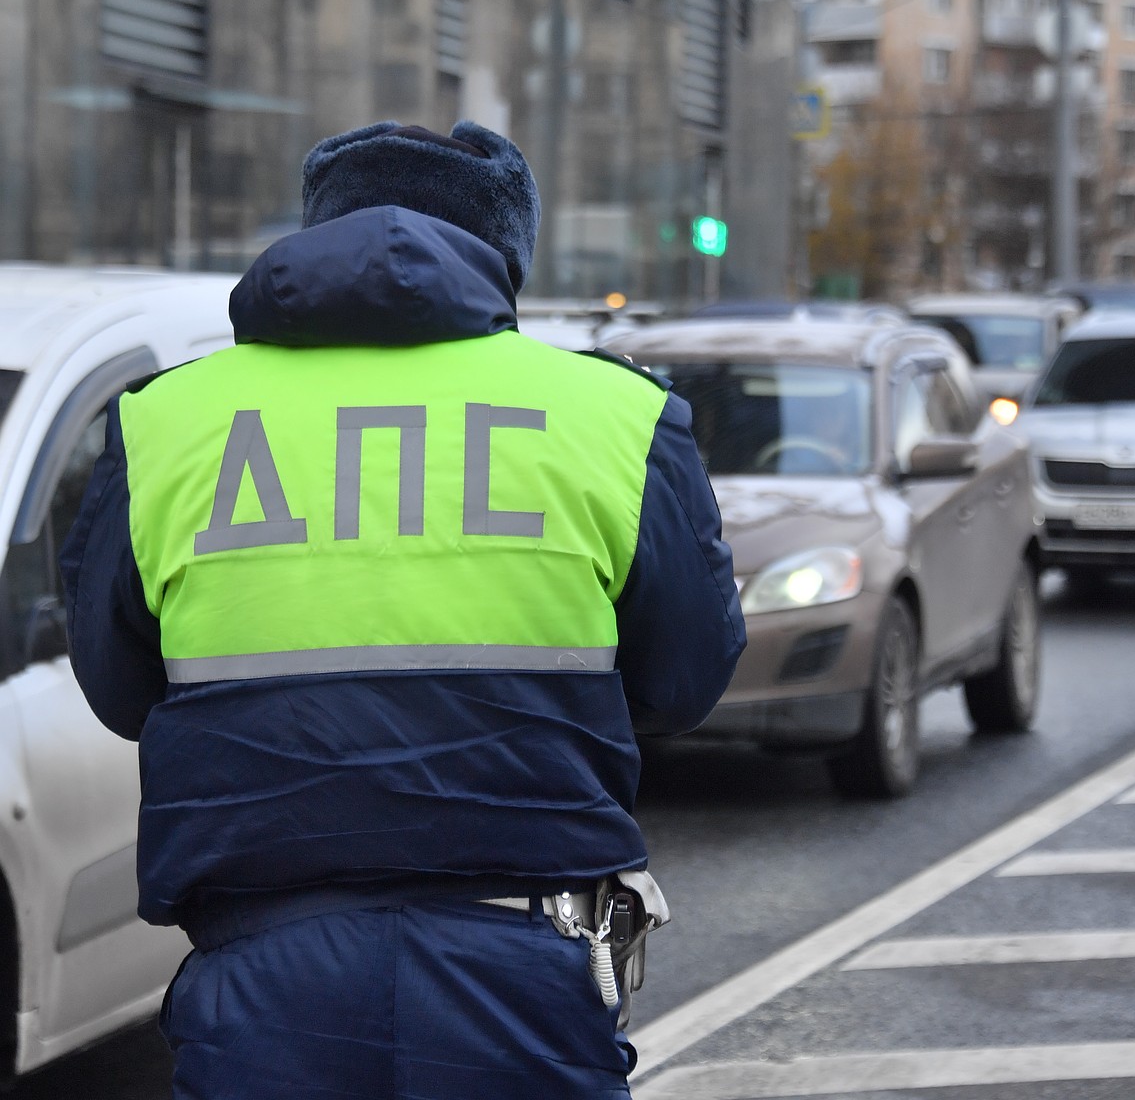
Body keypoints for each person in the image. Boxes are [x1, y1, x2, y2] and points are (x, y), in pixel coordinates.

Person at [59, 121, 745, 1100]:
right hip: (522, 971)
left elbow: (120, 686)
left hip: (261, 983)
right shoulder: (617, 418)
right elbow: (686, 680)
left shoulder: (165, 420)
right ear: (507, 254)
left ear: (313, 231)